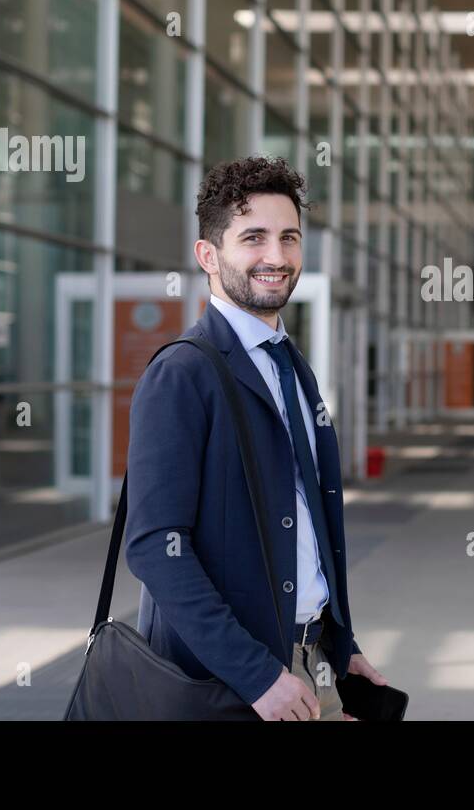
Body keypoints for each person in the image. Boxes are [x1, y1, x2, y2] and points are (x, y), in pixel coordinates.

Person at [124, 156, 387, 721]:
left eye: (289, 238)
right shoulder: (183, 374)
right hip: (228, 680)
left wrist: (340, 647)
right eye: (254, 238)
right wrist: (256, 675)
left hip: (309, 658)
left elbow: (305, 518)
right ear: (208, 255)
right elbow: (154, 546)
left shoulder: (292, 366)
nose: (277, 256)